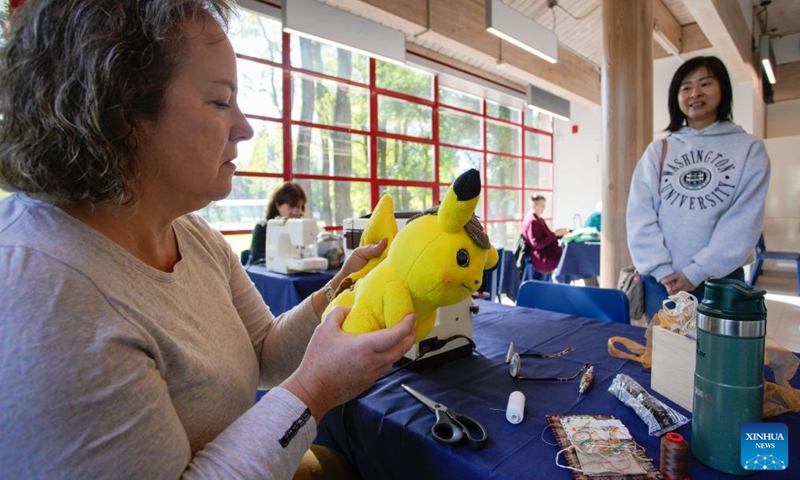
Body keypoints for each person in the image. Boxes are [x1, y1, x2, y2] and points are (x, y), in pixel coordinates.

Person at [0, 1, 416, 479]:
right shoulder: (44, 295)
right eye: (221, 101)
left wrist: (344, 285)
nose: (245, 127)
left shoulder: (191, 234)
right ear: (120, 113)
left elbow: (264, 353)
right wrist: (315, 391)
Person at [626, 55, 770, 322]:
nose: (695, 93)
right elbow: (640, 213)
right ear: (676, 97)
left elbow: (743, 219)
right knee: (665, 359)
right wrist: (661, 269)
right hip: (662, 282)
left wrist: (697, 271)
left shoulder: (749, 148)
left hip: (721, 279)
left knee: (719, 360)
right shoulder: (659, 150)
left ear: (723, 90)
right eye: (686, 87)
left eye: (705, 84)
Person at [248, 182, 307, 266]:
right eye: (290, 207)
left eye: (298, 207)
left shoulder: (301, 227)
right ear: (277, 205)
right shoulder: (262, 228)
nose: (295, 212)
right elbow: (257, 260)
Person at [521, 195, 570, 281]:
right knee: (566, 261)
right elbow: (537, 244)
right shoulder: (533, 221)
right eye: (541, 206)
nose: (543, 209)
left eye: (544, 206)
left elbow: (547, 236)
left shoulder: (539, 219)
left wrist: (559, 234)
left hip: (545, 252)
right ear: (534, 205)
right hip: (541, 256)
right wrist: (554, 234)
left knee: (566, 258)